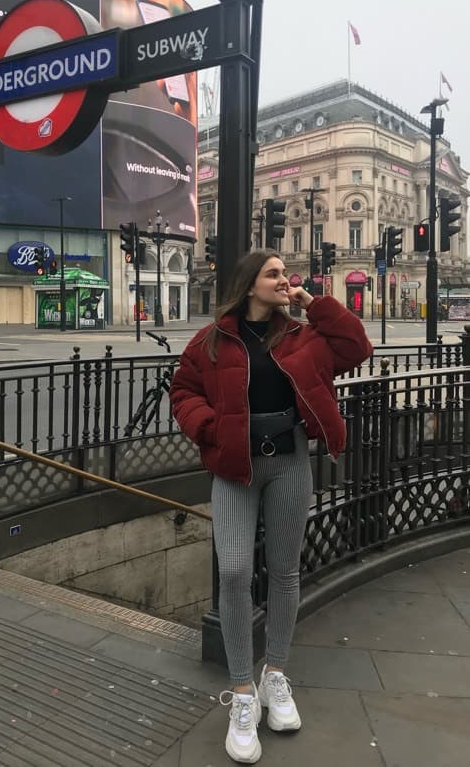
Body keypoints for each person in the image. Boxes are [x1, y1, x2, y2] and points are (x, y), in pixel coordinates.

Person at [170, 249, 372, 764]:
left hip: (289, 463)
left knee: (283, 571)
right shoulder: (212, 340)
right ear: (250, 284)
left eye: (286, 274)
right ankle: (242, 693)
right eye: (275, 274)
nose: (285, 280)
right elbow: (183, 391)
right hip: (234, 467)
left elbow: (357, 347)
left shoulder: (304, 336)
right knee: (235, 571)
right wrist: (210, 429)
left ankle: (274, 676)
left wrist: (314, 302)